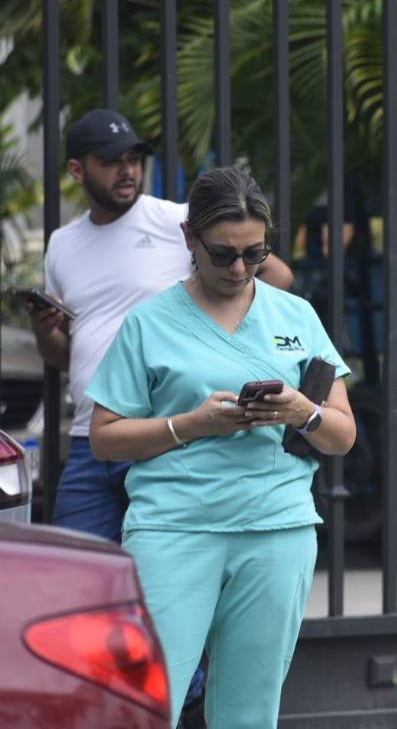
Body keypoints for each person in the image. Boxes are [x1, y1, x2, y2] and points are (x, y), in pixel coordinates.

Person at [85, 166, 356, 728]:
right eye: (222, 254)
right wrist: (191, 425)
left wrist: (300, 412)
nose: (239, 269)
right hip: (174, 530)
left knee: (250, 712)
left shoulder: (297, 316)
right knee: (147, 703)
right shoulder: (148, 323)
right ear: (189, 240)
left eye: (254, 254)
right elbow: (105, 438)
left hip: (276, 532)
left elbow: (342, 434)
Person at [27, 107, 294, 543]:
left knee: (159, 577)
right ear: (77, 170)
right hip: (91, 437)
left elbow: (275, 276)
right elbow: (66, 354)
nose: (127, 170)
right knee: (79, 581)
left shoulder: (176, 221)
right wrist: (45, 326)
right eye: (111, 161)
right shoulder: (61, 244)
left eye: (133, 158)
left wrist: (219, 347)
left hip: (167, 431)